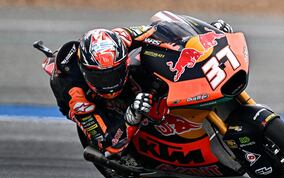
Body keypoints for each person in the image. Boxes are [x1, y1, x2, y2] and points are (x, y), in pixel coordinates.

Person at [50, 11, 233, 157]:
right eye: (102, 78)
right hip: (88, 103)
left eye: (115, 73)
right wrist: (131, 117)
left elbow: (160, 31)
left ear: (123, 61)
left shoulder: (122, 37)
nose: (111, 83)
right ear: (85, 71)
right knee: (108, 143)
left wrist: (208, 34)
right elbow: (109, 144)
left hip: (128, 72)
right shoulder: (76, 97)